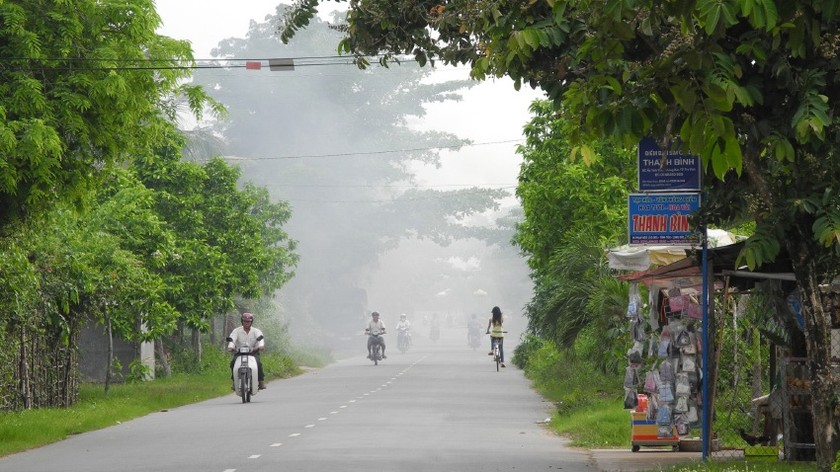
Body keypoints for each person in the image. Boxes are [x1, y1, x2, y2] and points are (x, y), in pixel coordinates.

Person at [227, 312, 266, 390]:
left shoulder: (256, 331)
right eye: (245, 321)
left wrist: (261, 346)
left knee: (258, 363)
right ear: (242, 321)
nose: (246, 323)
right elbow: (232, 339)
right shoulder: (236, 331)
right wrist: (231, 347)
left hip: (253, 352)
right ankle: (235, 382)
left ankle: (261, 381)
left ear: (251, 322)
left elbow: (260, 339)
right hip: (239, 353)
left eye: (248, 321)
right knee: (233, 363)